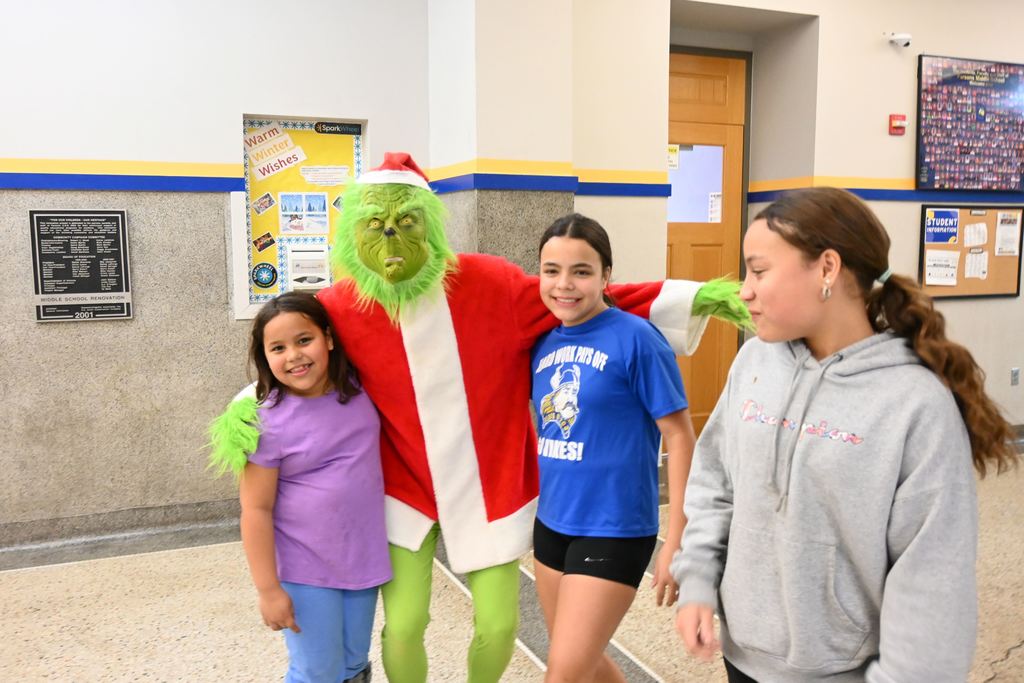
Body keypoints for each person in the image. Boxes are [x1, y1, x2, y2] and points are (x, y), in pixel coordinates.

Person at [310, 152, 751, 682]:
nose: (389, 238)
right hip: (426, 490)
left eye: (404, 223)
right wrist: (249, 406)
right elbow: (291, 352)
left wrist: (698, 295)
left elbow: (602, 310)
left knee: (522, 642)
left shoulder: (492, 285)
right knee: (411, 627)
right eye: (374, 226)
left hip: (531, 498)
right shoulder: (340, 305)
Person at [671, 187, 1017, 682]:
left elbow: (931, 583)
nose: (743, 290)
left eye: (759, 270)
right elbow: (715, 486)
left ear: (827, 269)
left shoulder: (914, 404)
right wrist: (698, 583)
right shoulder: (753, 362)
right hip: (741, 656)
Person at [530, 214, 698, 682]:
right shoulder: (542, 342)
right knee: (581, 662)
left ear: (606, 276)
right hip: (553, 523)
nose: (565, 284)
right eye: (551, 270)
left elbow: (681, 436)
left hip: (616, 528)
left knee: (562, 674)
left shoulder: (638, 340)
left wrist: (678, 537)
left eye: (581, 271)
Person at [208, 292, 390, 683]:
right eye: (278, 347)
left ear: (328, 337)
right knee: (316, 670)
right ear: (265, 358)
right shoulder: (266, 422)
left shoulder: (361, 390)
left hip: (363, 559)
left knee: (353, 662)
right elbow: (256, 510)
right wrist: (268, 589)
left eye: (303, 340)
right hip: (305, 568)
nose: (293, 355)